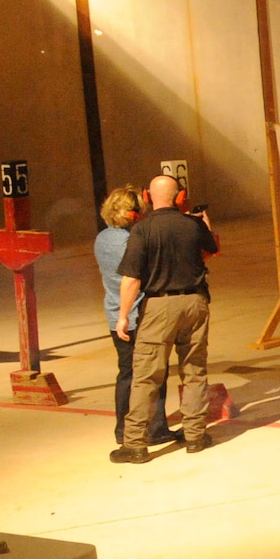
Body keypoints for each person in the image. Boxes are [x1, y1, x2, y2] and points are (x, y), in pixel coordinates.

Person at [111, 175, 218, 464]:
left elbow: (132, 278)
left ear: (147, 195)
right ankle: (195, 436)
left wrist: (123, 316)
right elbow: (208, 252)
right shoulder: (193, 224)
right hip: (195, 302)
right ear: (179, 196)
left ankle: (135, 444)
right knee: (194, 370)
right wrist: (203, 222)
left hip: (159, 307)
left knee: (147, 375)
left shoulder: (142, 230)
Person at [94, 186, 174, 447]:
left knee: (126, 373)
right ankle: (156, 428)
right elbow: (146, 273)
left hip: (114, 313)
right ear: (133, 214)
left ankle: (122, 430)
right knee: (154, 373)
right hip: (138, 315)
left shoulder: (102, 238)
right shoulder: (133, 241)